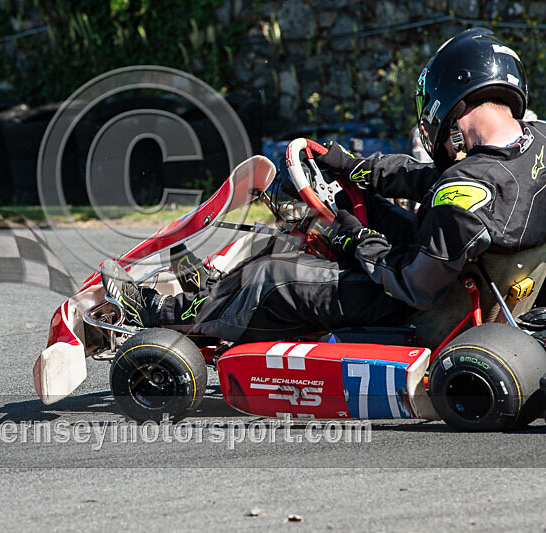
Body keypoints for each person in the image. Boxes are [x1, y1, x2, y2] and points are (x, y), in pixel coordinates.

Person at [102, 27, 546, 342]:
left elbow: (417, 286)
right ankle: (213, 291)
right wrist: (353, 167)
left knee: (274, 278)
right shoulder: (533, 141)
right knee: (349, 211)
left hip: (432, 307)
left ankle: (158, 314)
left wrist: (357, 241)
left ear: (449, 91)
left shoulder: (467, 190)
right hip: (470, 272)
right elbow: (430, 179)